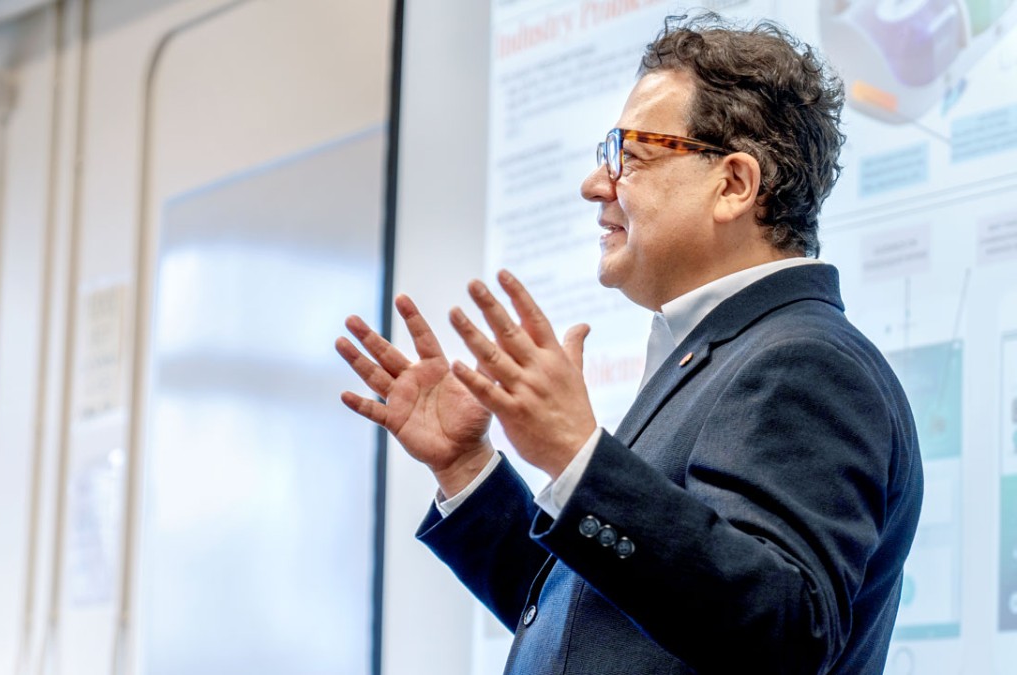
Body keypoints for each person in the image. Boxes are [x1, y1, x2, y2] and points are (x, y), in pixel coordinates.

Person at [336, 13, 923, 675]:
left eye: (629, 156)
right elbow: (594, 631)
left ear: (734, 184)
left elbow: (783, 633)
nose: (594, 184)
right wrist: (466, 468)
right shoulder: (722, 355)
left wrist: (577, 456)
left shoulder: (804, 361)